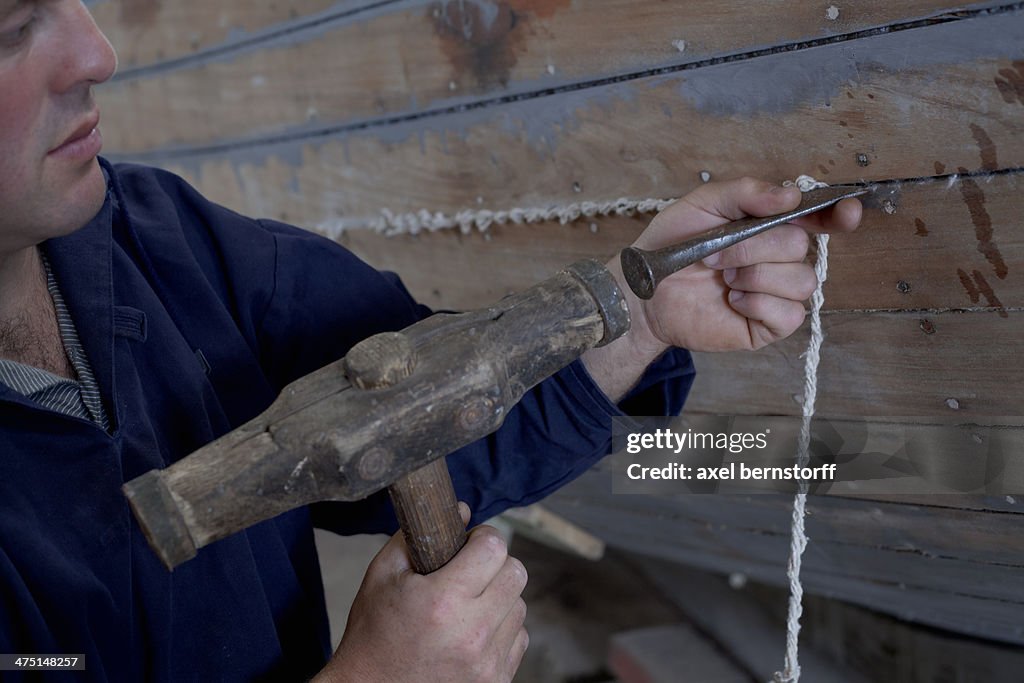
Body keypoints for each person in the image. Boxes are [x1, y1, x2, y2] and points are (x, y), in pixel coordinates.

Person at [0, 2, 862, 681]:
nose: (97, 52)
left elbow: (429, 406)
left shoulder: (157, 236)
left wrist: (638, 312)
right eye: (10, 26)